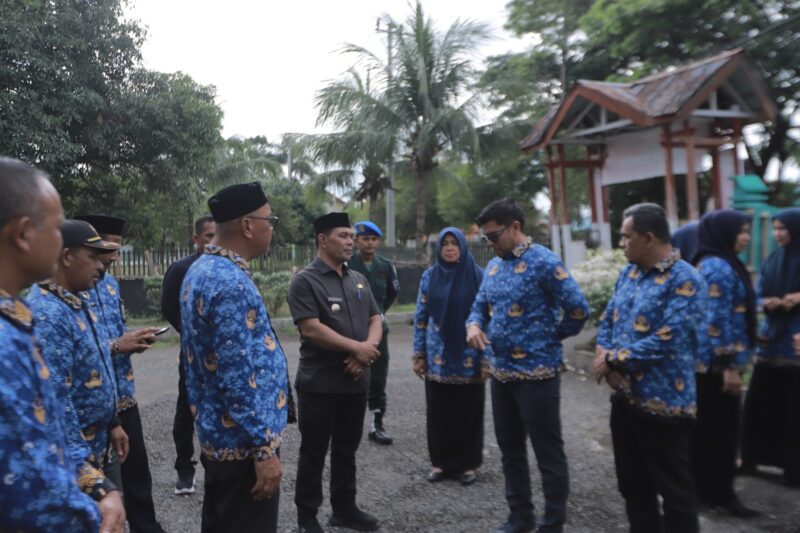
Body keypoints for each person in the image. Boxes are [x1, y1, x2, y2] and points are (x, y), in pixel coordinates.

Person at [0, 157, 125, 533]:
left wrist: (96, 482)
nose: (61, 240)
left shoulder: (17, 317)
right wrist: (98, 515)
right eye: (56, 229)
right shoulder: (5, 340)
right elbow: (30, 493)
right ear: (23, 234)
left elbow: (48, 428)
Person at [466, 198, 589, 533]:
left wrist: (549, 338)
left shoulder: (544, 262)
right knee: (510, 451)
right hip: (501, 374)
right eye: (485, 240)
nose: (490, 245)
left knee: (547, 453)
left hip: (537, 376)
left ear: (516, 228)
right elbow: (479, 307)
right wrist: (473, 325)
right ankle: (520, 518)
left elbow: (578, 309)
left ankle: (552, 523)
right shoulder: (493, 267)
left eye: (494, 237)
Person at [180, 182, 289, 533]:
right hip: (242, 447)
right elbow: (237, 376)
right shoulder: (229, 282)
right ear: (247, 226)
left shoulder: (202, 269)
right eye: (268, 219)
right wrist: (263, 449)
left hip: (221, 438)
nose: (271, 227)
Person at [594, 203, 707, 533]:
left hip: (666, 403)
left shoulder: (685, 279)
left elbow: (669, 338)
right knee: (632, 485)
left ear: (648, 238)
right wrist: (605, 354)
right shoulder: (627, 275)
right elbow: (607, 320)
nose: (621, 243)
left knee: (675, 492)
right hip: (626, 399)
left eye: (625, 236)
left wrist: (615, 360)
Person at [288, 212, 383, 533]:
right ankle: (307, 517)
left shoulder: (357, 278)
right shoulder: (305, 280)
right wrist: (355, 349)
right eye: (343, 236)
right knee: (313, 451)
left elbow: (375, 318)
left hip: (355, 380)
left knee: (346, 449)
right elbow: (311, 329)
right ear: (322, 240)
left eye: (351, 236)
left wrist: (366, 350)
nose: (350, 242)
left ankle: (344, 509)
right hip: (320, 384)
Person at [75, 214, 166, 533]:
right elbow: (83, 346)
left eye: (117, 247)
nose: (114, 255)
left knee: (137, 471)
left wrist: (134, 337)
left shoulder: (111, 286)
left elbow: (113, 331)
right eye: (108, 247)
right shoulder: (73, 287)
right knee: (98, 479)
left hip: (122, 398)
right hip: (92, 406)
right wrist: (117, 345)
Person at [690, 210, 759, 517]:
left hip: (714, 365)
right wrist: (729, 365)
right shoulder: (717, 266)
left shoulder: (719, 262)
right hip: (717, 368)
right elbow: (715, 321)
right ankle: (719, 493)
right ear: (725, 233)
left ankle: (709, 492)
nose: (746, 237)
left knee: (712, 431)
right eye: (742, 231)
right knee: (721, 432)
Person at [413, 227, 485, 485]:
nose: (450, 248)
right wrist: (418, 354)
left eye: (455, 243)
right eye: (445, 244)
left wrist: (486, 358)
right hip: (438, 356)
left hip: (470, 356)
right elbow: (420, 318)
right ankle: (439, 463)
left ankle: (467, 465)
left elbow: (487, 318)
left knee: (468, 411)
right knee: (439, 412)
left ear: (463, 246)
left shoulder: (478, 276)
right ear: (439, 248)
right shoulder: (429, 276)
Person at [741, 207, 800, 487]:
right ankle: (753, 459)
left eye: (782, 229)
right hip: (772, 340)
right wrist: (768, 303)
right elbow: (758, 296)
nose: (777, 234)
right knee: (761, 400)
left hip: (796, 342)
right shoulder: (773, 259)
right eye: (775, 229)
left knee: (793, 406)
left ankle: (793, 468)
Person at [161, 213, 216, 494]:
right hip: (193, 356)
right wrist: (192, 336)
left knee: (219, 411)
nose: (213, 241)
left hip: (222, 359)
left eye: (217, 236)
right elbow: (168, 306)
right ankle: (185, 469)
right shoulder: (181, 268)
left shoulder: (229, 266)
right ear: (196, 239)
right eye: (208, 236)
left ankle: (217, 466)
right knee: (187, 409)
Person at [349, 220, 399, 445]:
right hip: (351, 329)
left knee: (379, 376)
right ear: (357, 241)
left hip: (379, 330)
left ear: (378, 241)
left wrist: (379, 315)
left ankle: (377, 424)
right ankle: (347, 423)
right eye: (365, 239)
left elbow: (391, 294)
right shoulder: (348, 264)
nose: (369, 243)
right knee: (350, 373)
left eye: (373, 239)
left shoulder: (385, 266)